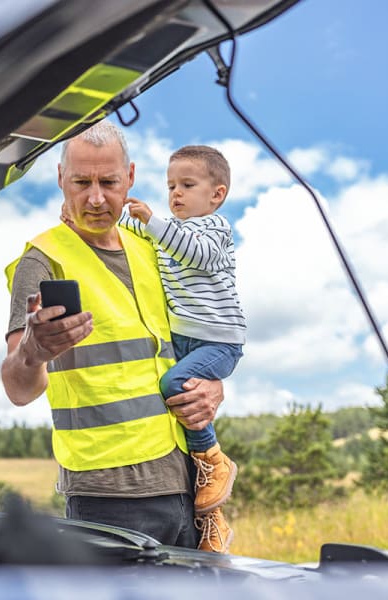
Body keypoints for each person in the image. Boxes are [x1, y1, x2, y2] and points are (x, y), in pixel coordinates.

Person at [0, 121, 225, 550]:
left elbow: (190, 338)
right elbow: (17, 388)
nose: (97, 197)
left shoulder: (153, 248)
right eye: (82, 182)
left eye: (109, 182)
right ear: (61, 179)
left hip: (187, 479)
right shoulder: (40, 262)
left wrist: (212, 386)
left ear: (132, 178)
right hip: (107, 494)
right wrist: (32, 351)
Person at [118, 145, 245, 553]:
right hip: (184, 338)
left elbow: (197, 254)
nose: (175, 194)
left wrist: (151, 220)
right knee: (180, 412)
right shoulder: (165, 233)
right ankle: (212, 519)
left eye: (187, 185)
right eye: (171, 185)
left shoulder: (213, 230)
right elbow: (126, 229)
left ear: (216, 194)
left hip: (218, 339)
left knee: (174, 383)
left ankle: (214, 459)